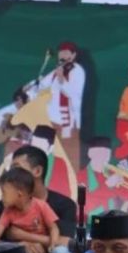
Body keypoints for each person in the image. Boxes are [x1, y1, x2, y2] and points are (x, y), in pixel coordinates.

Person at [0, 145, 78, 238]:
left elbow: (65, 243)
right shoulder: (5, 205)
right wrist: (23, 244)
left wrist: (24, 236)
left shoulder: (65, 205)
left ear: (37, 171)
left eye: (17, 168)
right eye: (12, 169)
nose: (12, 174)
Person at [47, 41, 85, 169]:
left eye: (66, 52)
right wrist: (30, 87)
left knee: (69, 157)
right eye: (60, 52)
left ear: (73, 55)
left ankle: (73, 185)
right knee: (52, 155)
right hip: (52, 121)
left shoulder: (77, 71)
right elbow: (42, 85)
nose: (62, 55)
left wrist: (62, 78)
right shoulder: (56, 71)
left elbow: (72, 93)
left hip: (68, 122)